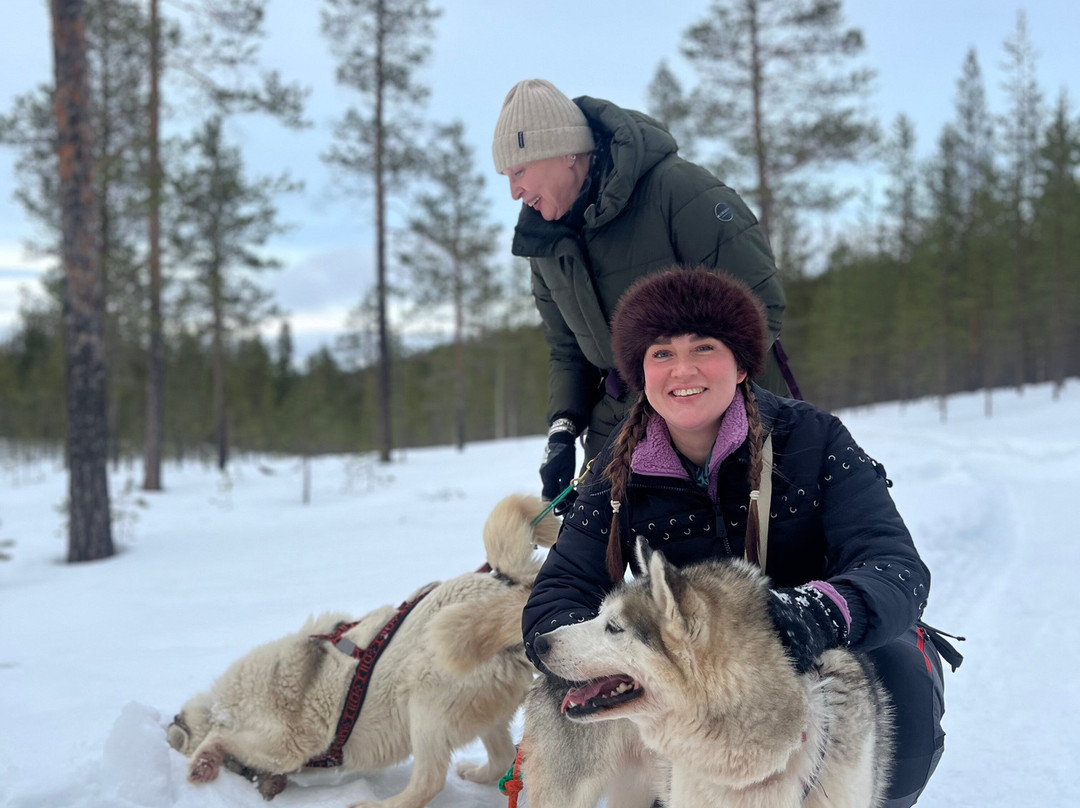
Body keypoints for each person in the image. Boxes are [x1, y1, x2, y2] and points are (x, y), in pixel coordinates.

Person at [522, 266, 948, 808]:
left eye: (704, 348)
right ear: (640, 373)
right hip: (689, 678)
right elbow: (560, 591)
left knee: (897, 671)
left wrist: (815, 614)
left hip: (809, 658)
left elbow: (894, 567)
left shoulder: (813, 439)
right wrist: (592, 650)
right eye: (660, 354)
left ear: (742, 364)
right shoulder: (616, 472)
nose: (682, 370)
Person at [491, 78, 791, 513]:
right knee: (636, 575)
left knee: (750, 571)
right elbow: (567, 350)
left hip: (733, 426)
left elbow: (760, 306)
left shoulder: (677, 191)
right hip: (621, 433)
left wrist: (681, 399)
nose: (514, 191)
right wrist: (562, 428)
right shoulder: (545, 243)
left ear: (566, 152)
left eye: (519, 172)